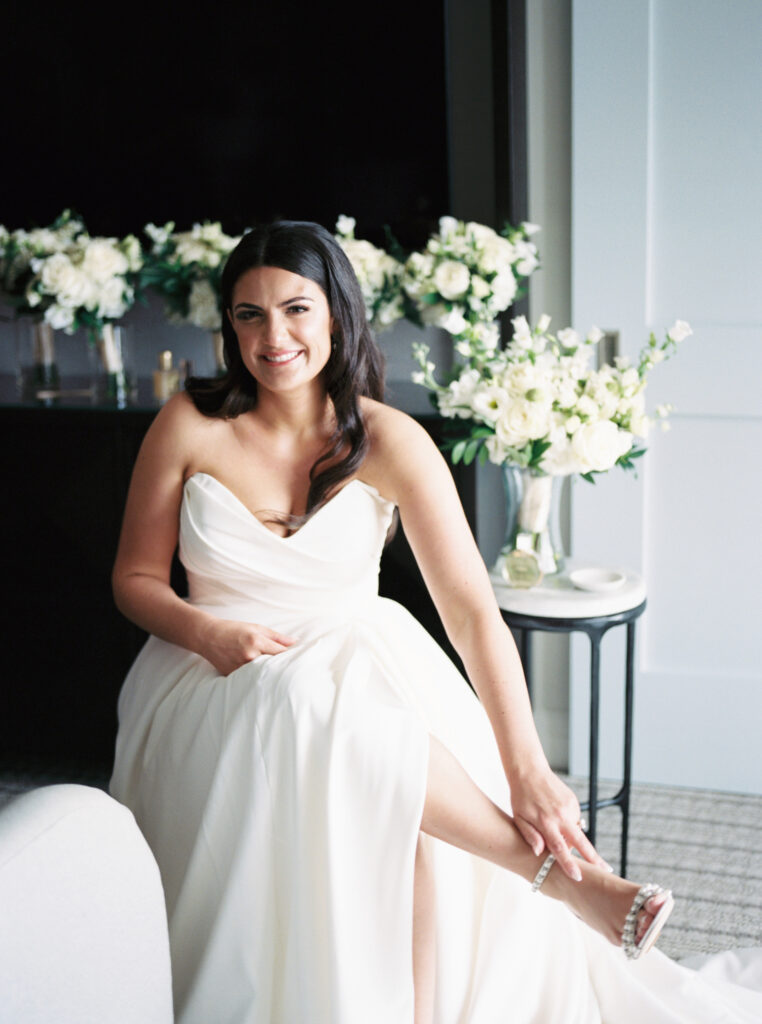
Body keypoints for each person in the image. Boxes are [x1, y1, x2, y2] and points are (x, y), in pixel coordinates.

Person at [110, 220, 762, 1023]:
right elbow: (134, 580)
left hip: (356, 654)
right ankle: (566, 881)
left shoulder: (387, 438)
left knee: (387, 784)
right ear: (227, 327)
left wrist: (527, 766)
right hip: (210, 670)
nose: (273, 335)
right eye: (249, 315)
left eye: (297, 309)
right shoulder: (189, 424)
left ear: (339, 316)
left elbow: (473, 614)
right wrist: (209, 632)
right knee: (305, 706)